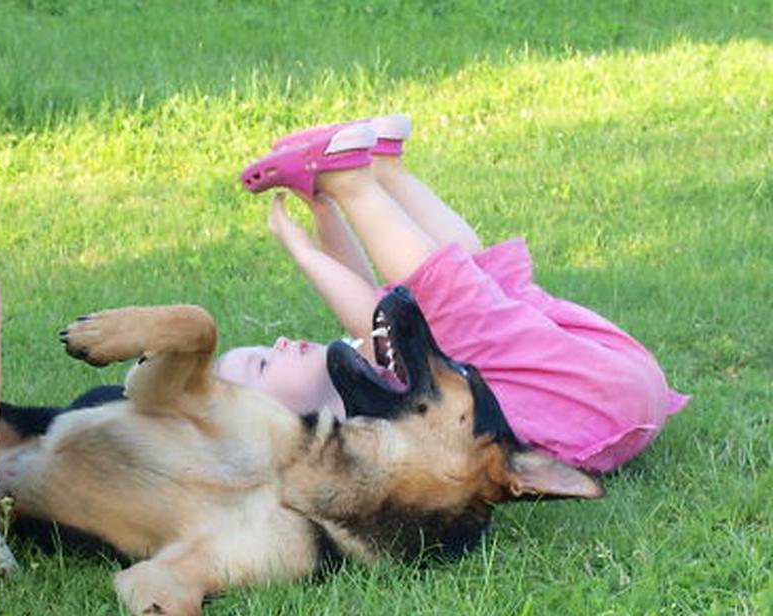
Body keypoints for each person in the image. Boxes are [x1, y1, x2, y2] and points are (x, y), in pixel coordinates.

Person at [214, 115, 687, 473]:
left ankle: (378, 171)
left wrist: (320, 208)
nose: (275, 344)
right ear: (279, 423)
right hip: (594, 404)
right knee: (449, 306)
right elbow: (372, 314)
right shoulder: (366, 425)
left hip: (601, 375)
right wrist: (302, 250)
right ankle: (359, 180)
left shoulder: (364, 371)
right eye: (262, 363)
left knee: (476, 293)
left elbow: (366, 301)